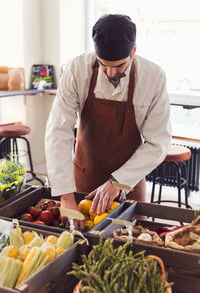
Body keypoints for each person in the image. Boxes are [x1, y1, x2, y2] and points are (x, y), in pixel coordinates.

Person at [45, 14, 171, 230]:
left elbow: (158, 142)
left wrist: (117, 182)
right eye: (103, 66)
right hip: (83, 179)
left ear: (133, 51)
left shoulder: (153, 77)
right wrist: (65, 196)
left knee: (132, 245)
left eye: (119, 66)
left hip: (129, 182)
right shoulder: (76, 70)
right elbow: (58, 132)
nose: (111, 73)